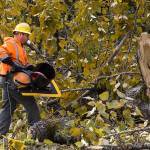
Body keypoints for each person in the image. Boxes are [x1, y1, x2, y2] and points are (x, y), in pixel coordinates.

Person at [0, 23, 40, 135]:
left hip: (13, 80)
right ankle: (35, 133)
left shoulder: (21, 48)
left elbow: (21, 63)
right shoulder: (11, 42)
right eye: (27, 36)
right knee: (31, 104)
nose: (28, 38)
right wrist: (10, 62)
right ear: (21, 34)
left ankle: (1, 134)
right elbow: (2, 51)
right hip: (11, 80)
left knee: (7, 109)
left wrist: (28, 67)